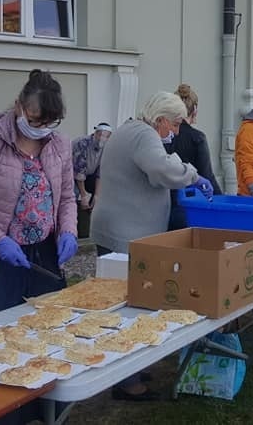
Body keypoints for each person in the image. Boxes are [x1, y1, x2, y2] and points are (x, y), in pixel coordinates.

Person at [90, 92, 213, 401]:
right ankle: (126, 381)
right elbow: (162, 170)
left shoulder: (129, 129)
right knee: (130, 304)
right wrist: (194, 176)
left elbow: (160, 162)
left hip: (115, 229)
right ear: (160, 120)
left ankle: (127, 367)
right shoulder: (145, 135)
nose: (175, 132)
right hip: (127, 234)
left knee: (121, 301)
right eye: (173, 126)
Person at [0, 69, 77, 316]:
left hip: (44, 255)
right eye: (34, 120)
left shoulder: (59, 145)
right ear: (19, 107)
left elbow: (68, 198)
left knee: (49, 327)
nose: (41, 128)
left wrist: (69, 232)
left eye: (49, 123)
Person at [166, 84, 222, 230]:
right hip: (190, 205)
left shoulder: (163, 134)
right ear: (195, 110)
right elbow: (207, 175)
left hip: (163, 204)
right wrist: (220, 201)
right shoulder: (197, 138)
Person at [72, 122, 112, 210]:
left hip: (89, 174)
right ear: (95, 133)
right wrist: (83, 195)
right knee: (74, 195)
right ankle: (76, 217)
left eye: (106, 136)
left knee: (101, 193)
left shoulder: (107, 148)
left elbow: (100, 172)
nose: (102, 138)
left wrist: (97, 195)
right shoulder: (82, 143)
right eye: (99, 134)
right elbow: (79, 171)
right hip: (72, 175)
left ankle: (90, 212)